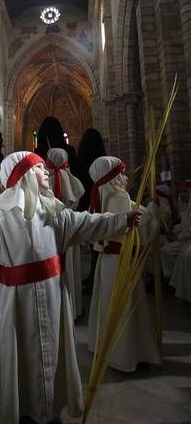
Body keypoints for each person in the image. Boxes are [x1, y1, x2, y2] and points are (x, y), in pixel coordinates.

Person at [0, 151, 142, 423]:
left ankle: (51, 410)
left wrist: (122, 220)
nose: (46, 171)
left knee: (54, 356)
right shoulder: (1, 217)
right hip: (16, 304)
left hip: (54, 296)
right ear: (22, 175)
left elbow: (89, 223)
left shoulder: (54, 212)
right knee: (22, 359)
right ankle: (25, 412)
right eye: (39, 167)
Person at [87, 156, 161, 372]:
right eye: (121, 173)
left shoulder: (105, 196)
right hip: (122, 261)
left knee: (108, 304)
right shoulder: (118, 199)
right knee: (126, 306)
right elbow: (144, 227)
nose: (125, 178)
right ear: (112, 178)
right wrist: (153, 210)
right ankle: (126, 355)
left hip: (108, 261)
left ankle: (107, 348)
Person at [46, 147, 85, 318]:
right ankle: (73, 309)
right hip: (69, 227)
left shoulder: (43, 179)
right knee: (70, 269)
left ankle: (53, 310)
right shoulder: (73, 181)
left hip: (48, 230)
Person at [75, 128, 106, 293]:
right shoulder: (102, 160)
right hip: (101, 201)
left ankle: (94, 278)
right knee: (98, 244)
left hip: (88, 202)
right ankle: (95, 276)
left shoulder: (82, 160)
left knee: (94, 243)